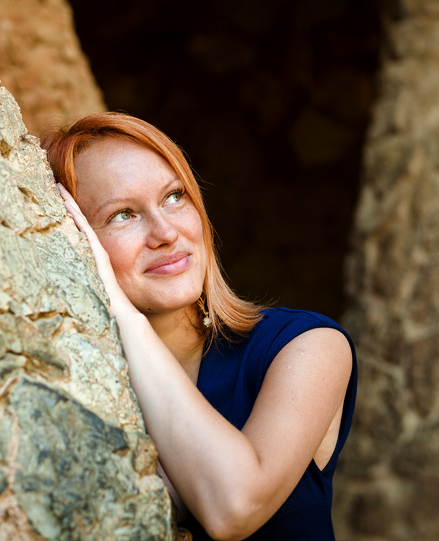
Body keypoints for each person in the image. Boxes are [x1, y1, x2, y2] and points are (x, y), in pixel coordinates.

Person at [42, 112, 356, 541]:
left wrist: (123, 313)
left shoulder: (306, 346)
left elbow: (234, 507)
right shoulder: (77, 381)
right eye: (122, 215)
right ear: (78, 241)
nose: (166, 232)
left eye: (174, 197)